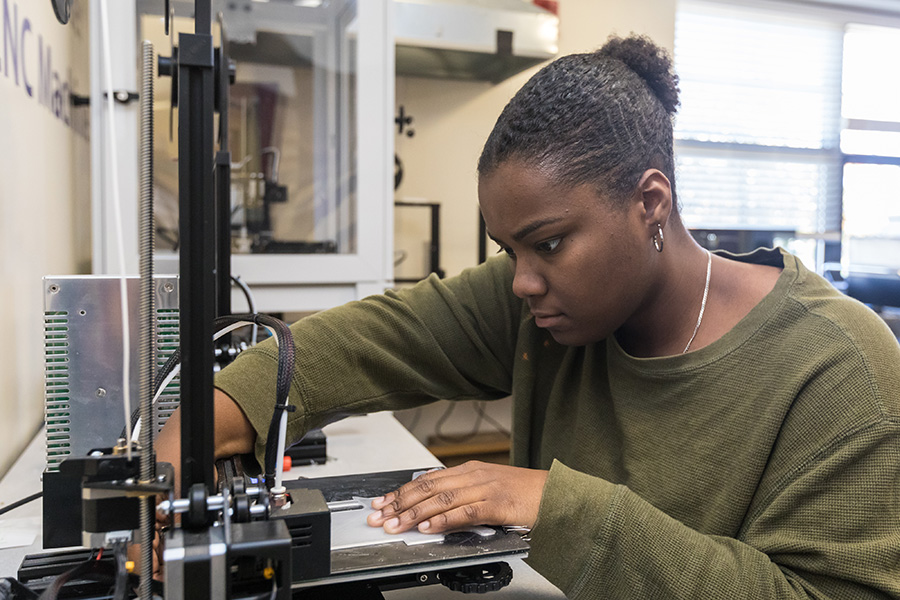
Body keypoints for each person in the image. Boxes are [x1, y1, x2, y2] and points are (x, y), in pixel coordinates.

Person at [156, 34, 900, 598]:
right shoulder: (539, 300)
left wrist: (560, 507)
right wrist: (207, 420)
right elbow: (367, 343)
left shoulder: (840, 370)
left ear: (650, 203)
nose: (522, 282)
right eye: (509, 250)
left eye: (547, 244)